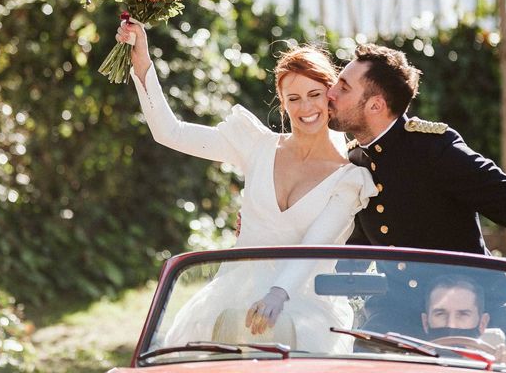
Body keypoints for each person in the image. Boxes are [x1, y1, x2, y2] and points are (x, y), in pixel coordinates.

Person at [115, 21, 377, 352]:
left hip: (305, 308)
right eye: (293, 98)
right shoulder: (257, 146)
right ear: (282, 103)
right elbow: (171, 133)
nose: (305, 108)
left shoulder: (349, 179)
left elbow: (314, 247)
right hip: (233, 296)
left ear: (330, 96)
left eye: (314, 95)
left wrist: (278, 295)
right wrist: (142, 63)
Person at [326, 43, 506, 349]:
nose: (330, 92)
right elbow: (356, 249)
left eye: (344, 87)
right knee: (362, 352)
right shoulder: (355, 160)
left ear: (375, 105)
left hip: (480, 299)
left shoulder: (433, 150)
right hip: (401, 309)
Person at [422, 275, 506, 367]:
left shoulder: (498, 360)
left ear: (483, 323)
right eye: (440, 314)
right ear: (425, 322)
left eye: (463, 314)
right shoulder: (408, 361)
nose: (451, 324)